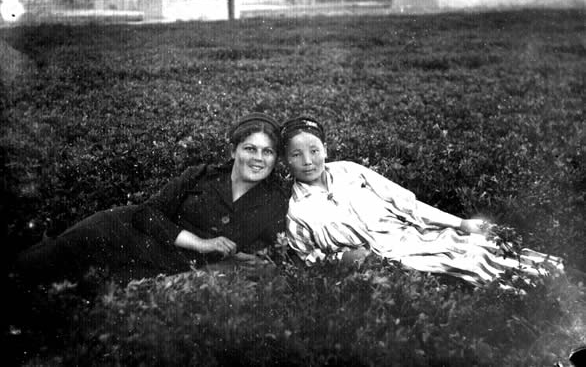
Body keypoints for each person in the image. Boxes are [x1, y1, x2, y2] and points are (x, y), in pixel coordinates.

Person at [281, 116, 564, 287]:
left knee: (478, 248)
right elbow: (309, 259)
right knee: (460, 273)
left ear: (326, 149)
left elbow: (408, 204)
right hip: (383, 265)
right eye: (296, 154)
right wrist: (343, 259)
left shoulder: (350, 171)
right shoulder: (297, 211)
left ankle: (556, 282)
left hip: (415, 238)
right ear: (286, 161)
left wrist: (461, 223)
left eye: (314, 150)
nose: (308, 161)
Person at [12, 113, 288, 285]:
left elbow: (266, 254)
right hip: (120, 232)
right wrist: (202, 243)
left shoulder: (275, 201)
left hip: (158, 266)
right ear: (233, 151)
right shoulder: (200, 175)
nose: (258, 158)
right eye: (250, 148)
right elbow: (146, 212)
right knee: (38, 263)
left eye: (268, 152)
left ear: (276, 159)